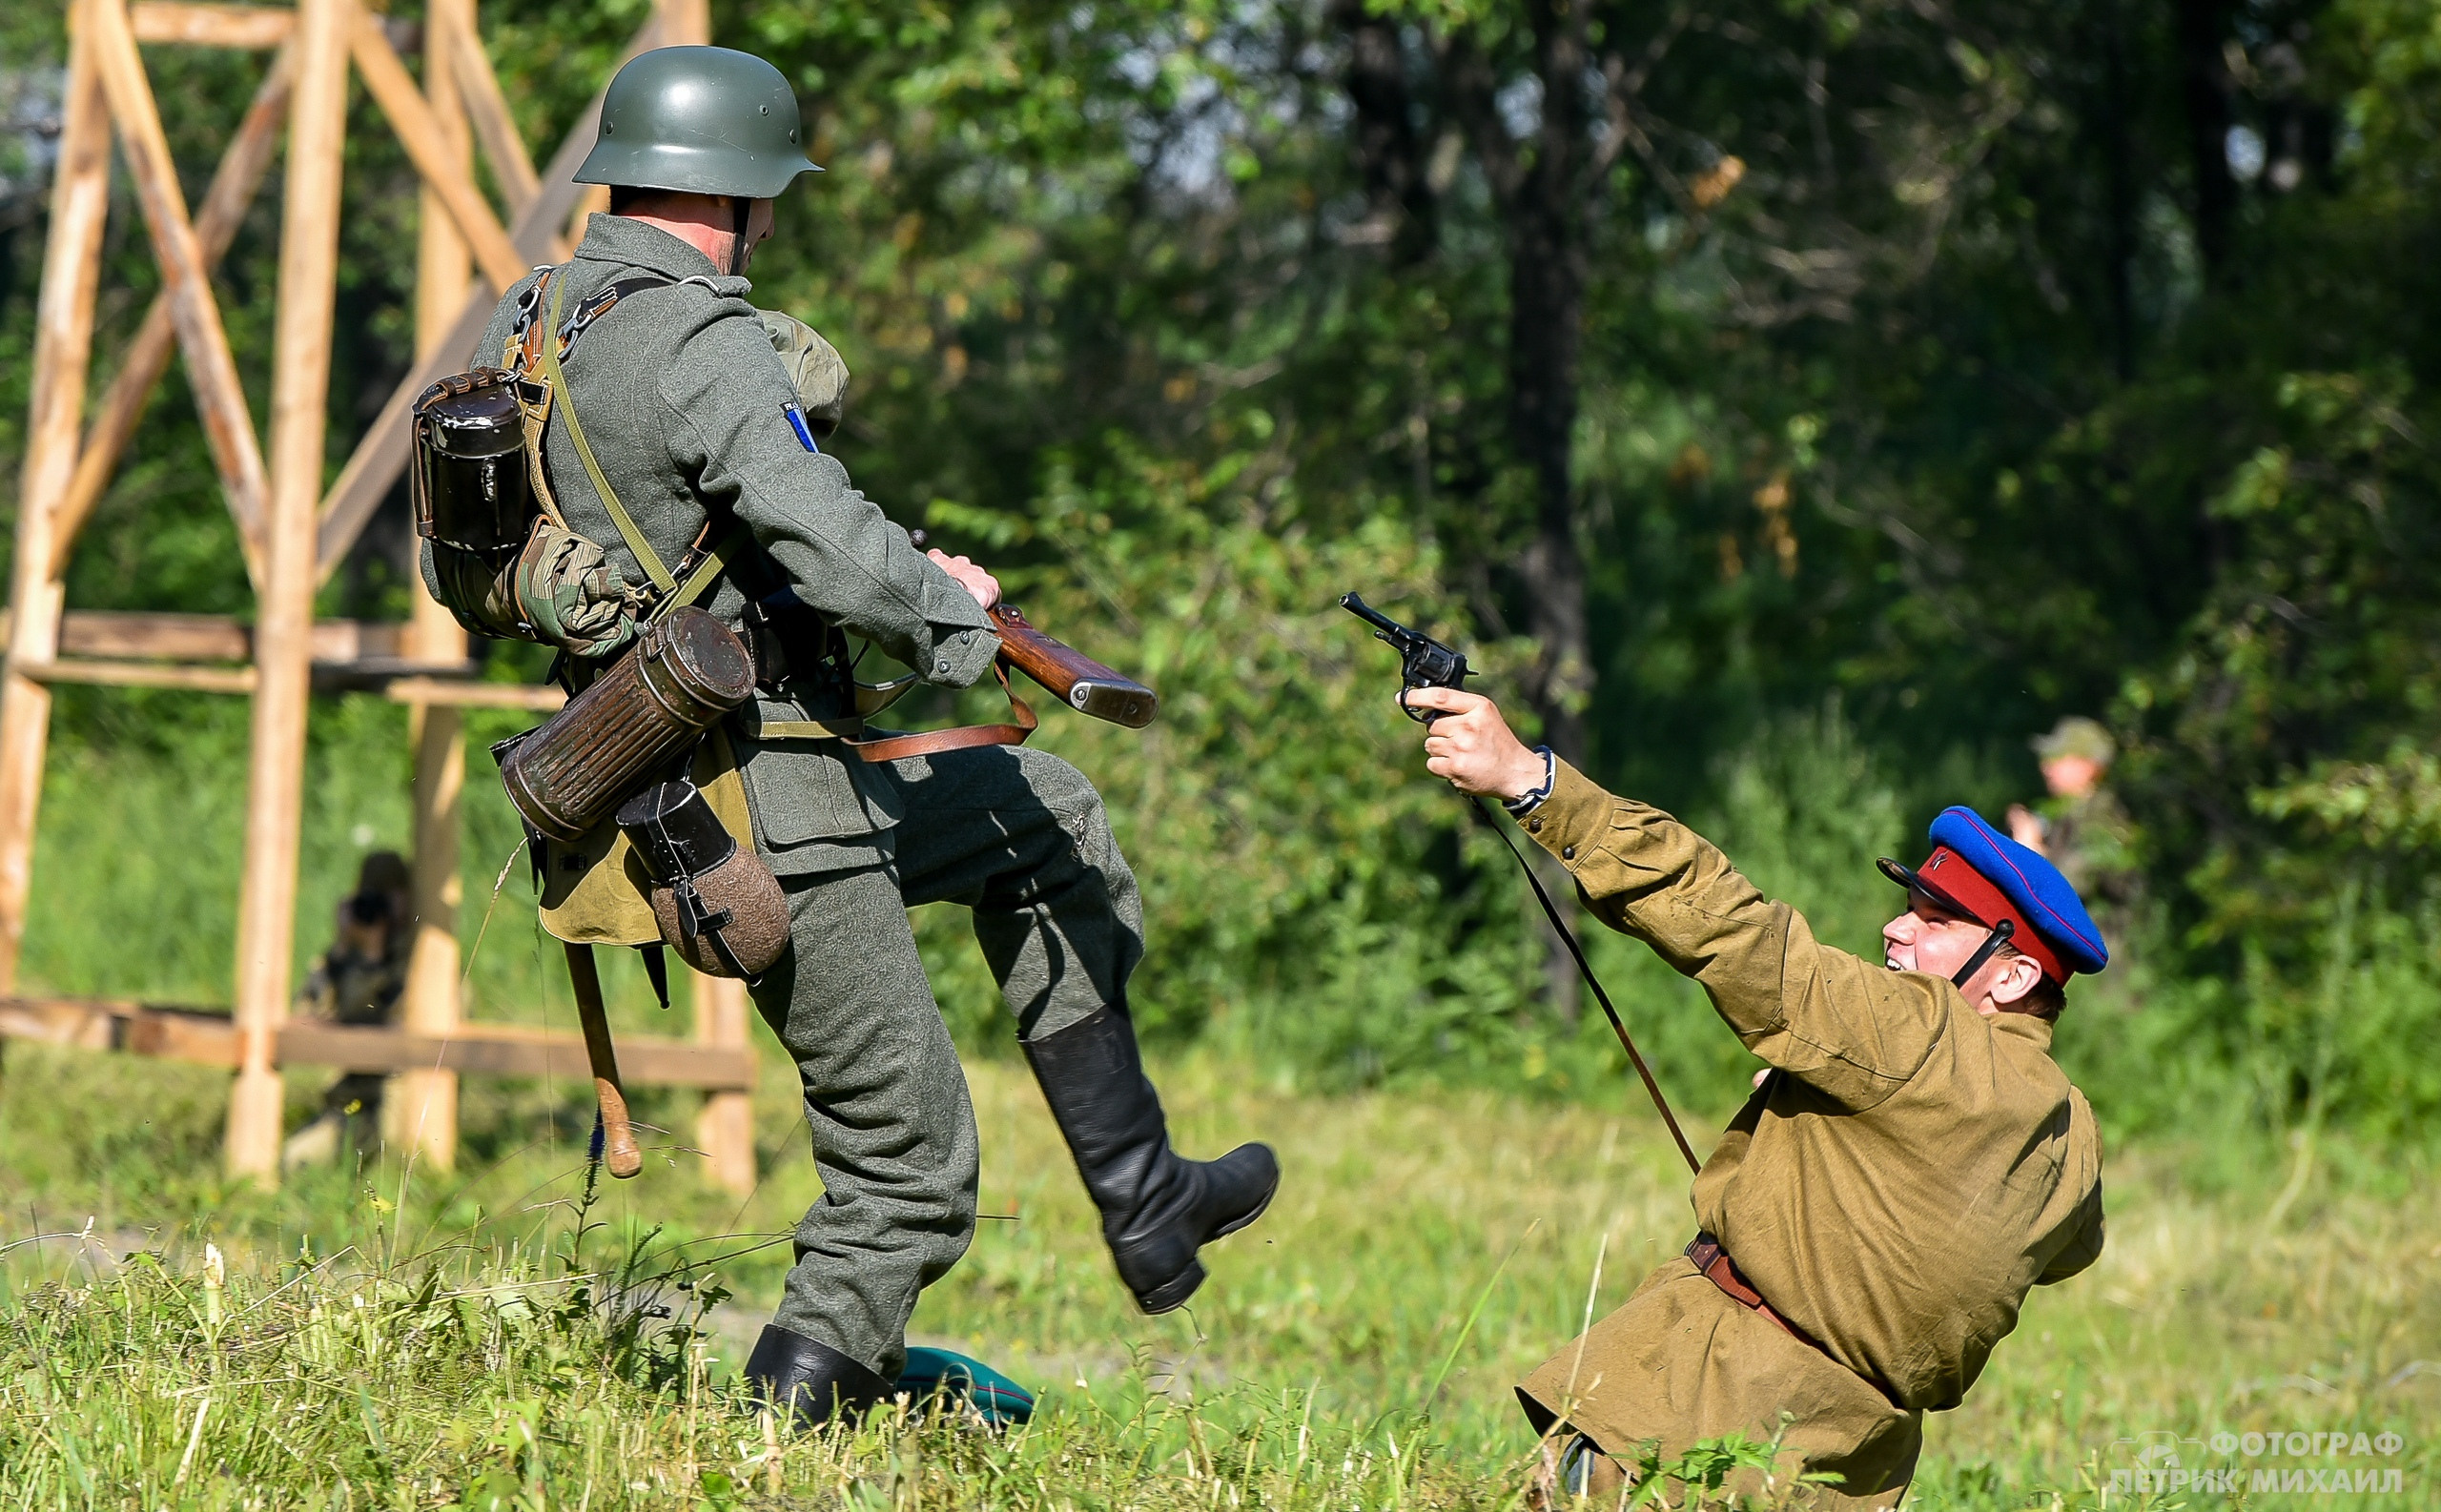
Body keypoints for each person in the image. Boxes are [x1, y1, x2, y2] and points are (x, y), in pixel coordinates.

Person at [436, 46, 1277, 1424]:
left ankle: (1149, 1198)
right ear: (747, 193)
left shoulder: (539, 320)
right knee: (910, 1167)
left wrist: (883, 577)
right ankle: (787, 1431)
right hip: (765, 805)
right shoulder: (696, 335)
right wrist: (951, 609)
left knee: (1047, 810)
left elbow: (649, 533)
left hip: (643, 778)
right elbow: (822, 531)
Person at [1402, 685, 2106, 1510]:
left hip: (1700, 1408)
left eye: (1933, 919)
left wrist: (1532, 781)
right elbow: (2064, 1253)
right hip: (1847, 1469)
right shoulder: (2075, 1130)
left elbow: (1738, 932)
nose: (1894, 929)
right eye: (1906, 906)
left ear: (2016, 973)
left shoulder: (1922, 1034)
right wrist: (1857, 1136)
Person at [281, 851, 412, 1170]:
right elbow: (307, 1016)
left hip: (396, 1103)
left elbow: (390, 1018)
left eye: (389, 894)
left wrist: (374, 960)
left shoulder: (418, 964)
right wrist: (342, 952)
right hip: (347, 1102)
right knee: (295, 1159)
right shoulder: (343, 959)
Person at [2007, 716, 2136, 912]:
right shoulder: (2072, 816)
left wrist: (2031, 851)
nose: (2046, 767)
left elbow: (2062, 892)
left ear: (2088, 766)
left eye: (2058, 757)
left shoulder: (2102, 822)